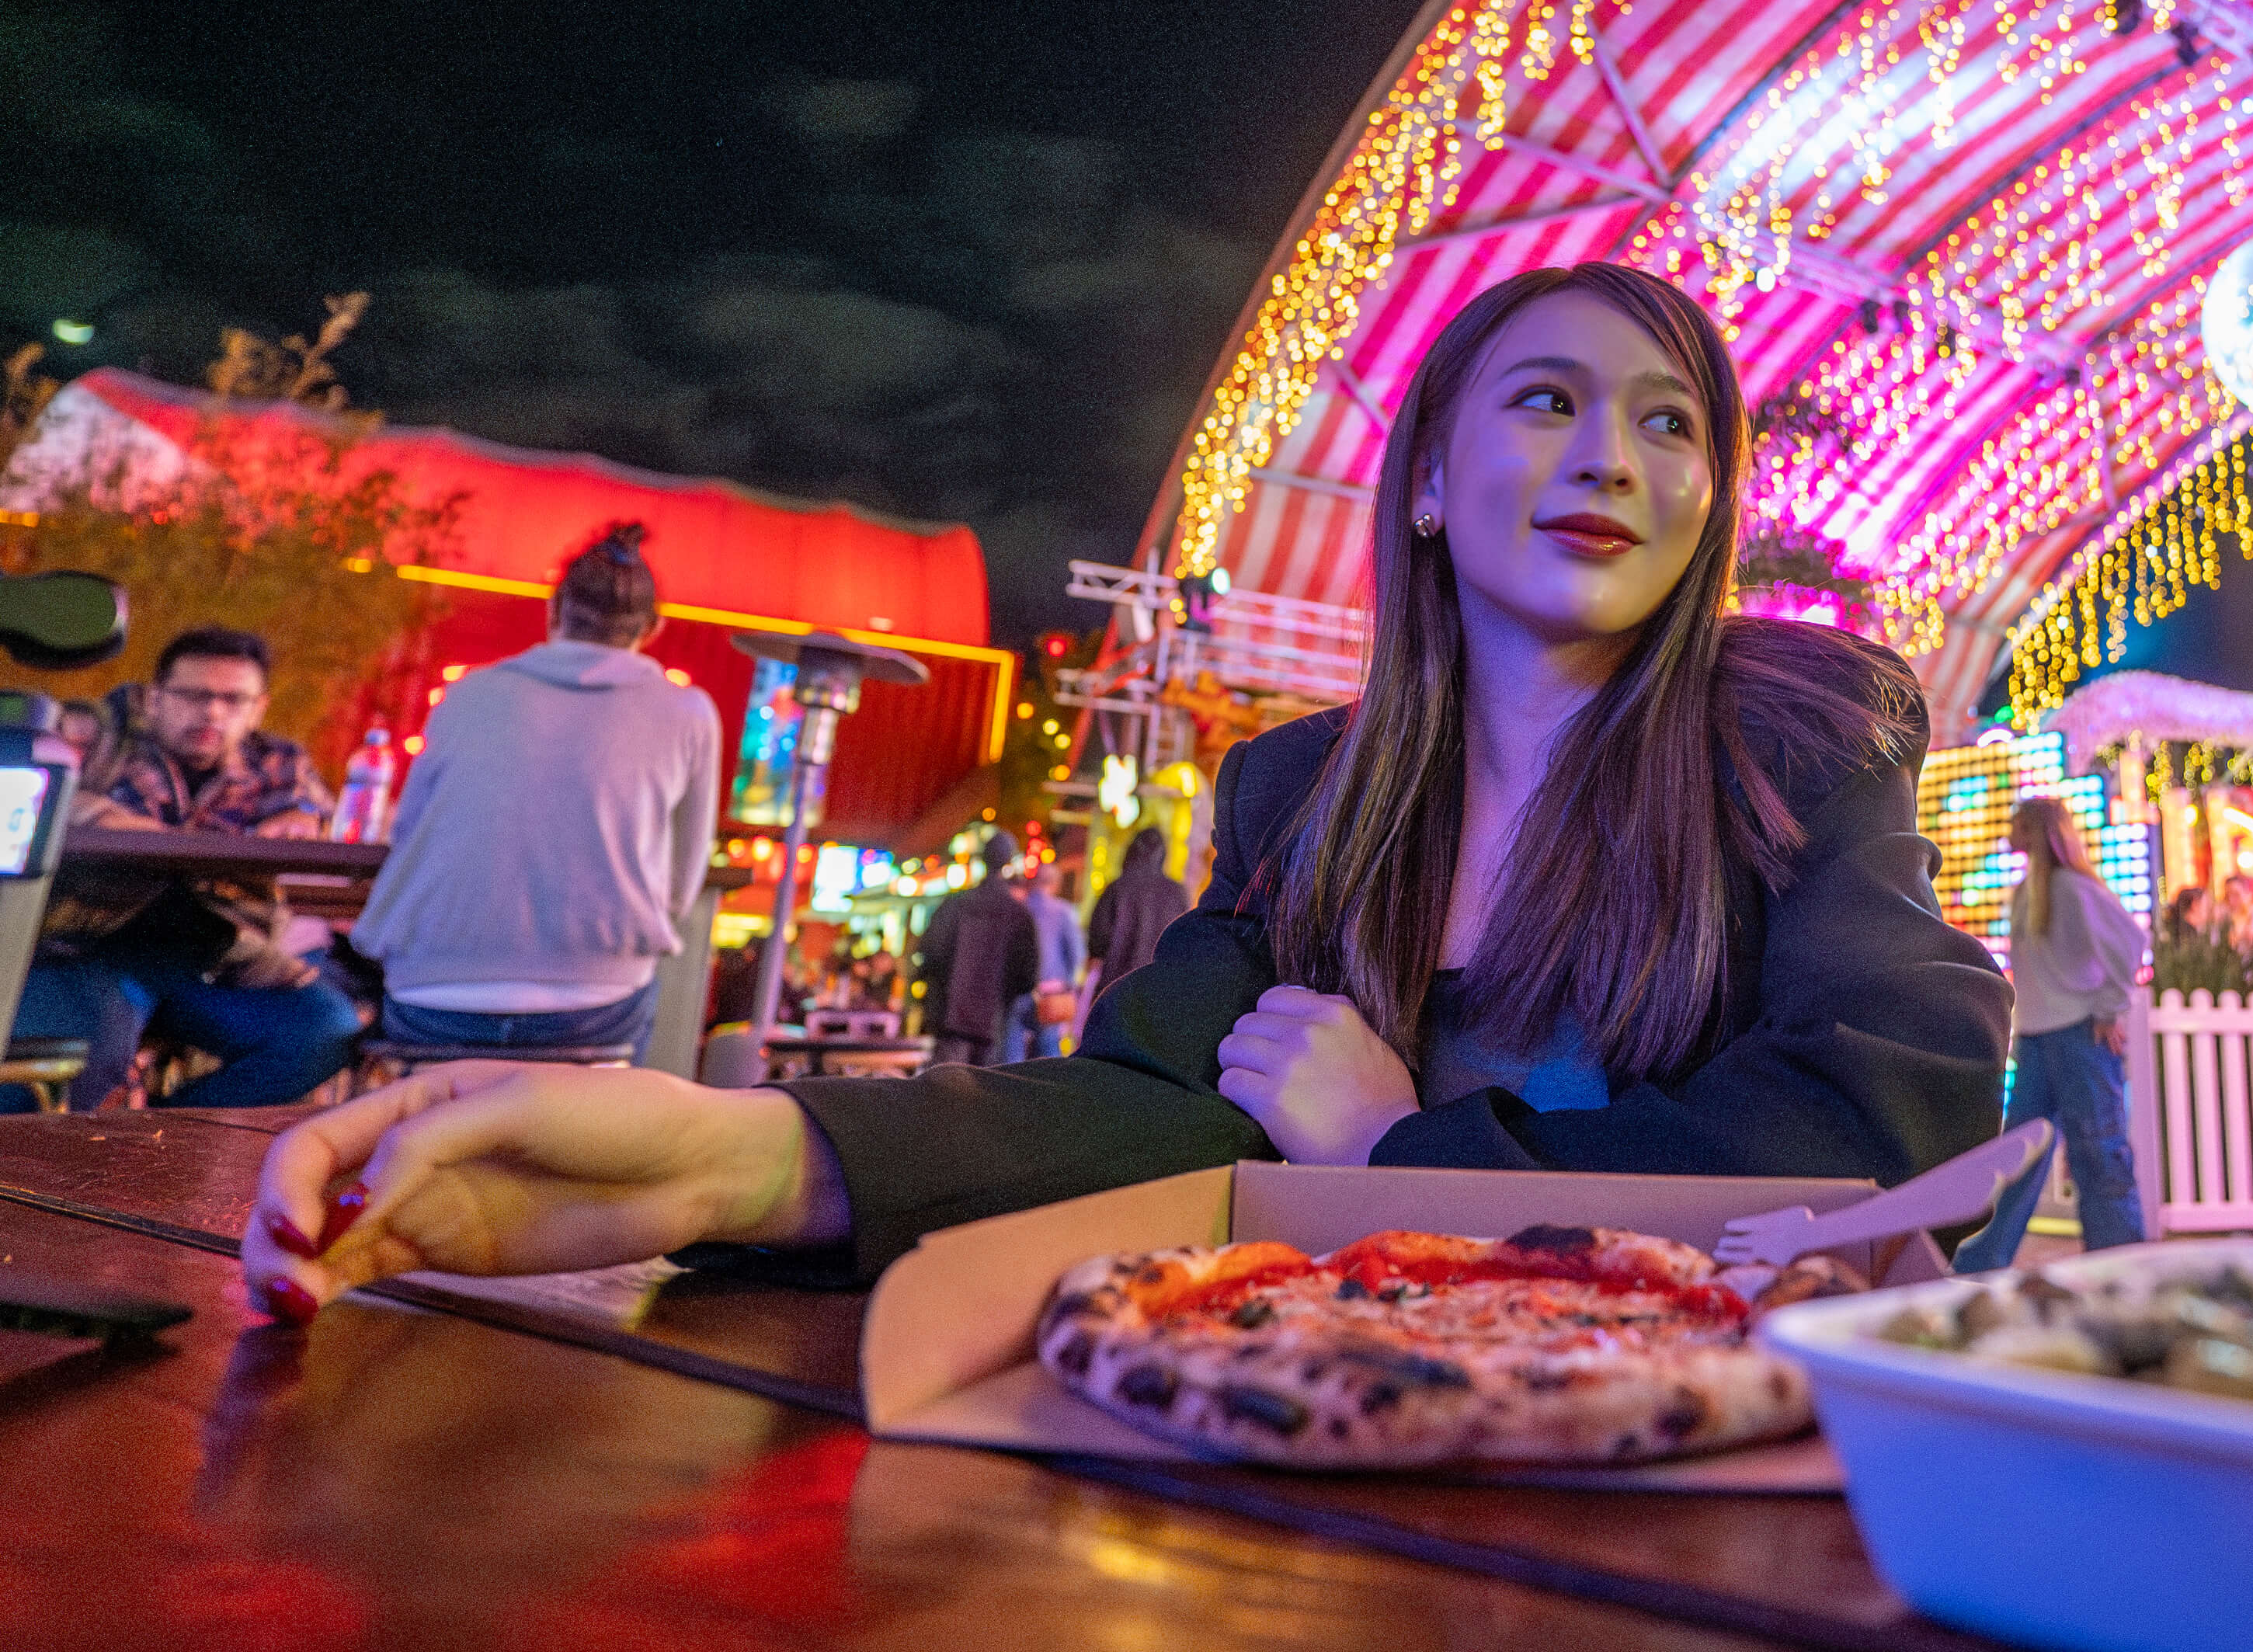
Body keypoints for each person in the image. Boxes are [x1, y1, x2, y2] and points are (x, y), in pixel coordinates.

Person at [242, 263, 2011, 1316]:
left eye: (1670, 421)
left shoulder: (1802, 746)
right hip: (1353, 1448)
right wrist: (725, 1161)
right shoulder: (1305, 802)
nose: (1611, 455)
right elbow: (1143, 1114)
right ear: (1422, 482)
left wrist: (1399, 1154)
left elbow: (1884, 1117)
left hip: (1716, 1495)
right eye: (1546, 401)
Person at [348, 523, 722, 1056]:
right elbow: (683, 885)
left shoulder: (468, 694)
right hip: (594, 1001)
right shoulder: (688, 712)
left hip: (431, 991)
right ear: (655, 626)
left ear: (554, 611)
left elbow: (410, 832)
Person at [3, 627, 359, 1113]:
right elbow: (38, 784)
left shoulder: (275, 764)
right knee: (72, 1065)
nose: (212, 712)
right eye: (194, 695)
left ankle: (154, 1144)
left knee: (323, 1028)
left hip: (210, 965)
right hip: (94, 948)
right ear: (155, 698)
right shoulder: (102, 736)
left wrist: (304, 820)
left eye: (234, 700)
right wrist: (122, 825)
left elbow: (313, 813)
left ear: (258, 709)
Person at [1955, 796, 2149, 1270]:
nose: (2009, 829)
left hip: (2077, 1035)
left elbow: (2129, 941)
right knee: (2024, 1155)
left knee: (2095, 1149)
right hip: (2043, 1037)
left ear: (2037, 830)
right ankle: (1996, 1252)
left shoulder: (2068, 889)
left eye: (2019, 823)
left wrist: (2109, 1008)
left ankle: (2116, 1254)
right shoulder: (2034, 891)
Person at [915, 834, 1041, 1066]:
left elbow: (929, 954)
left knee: (944, 1092)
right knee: (984, 1095)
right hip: (995, 1023)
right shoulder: (1018, 915)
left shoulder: (955, 905)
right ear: (1008, 862)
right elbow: (1027, 976)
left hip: (950, 1021)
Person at [1086, 823, 1188, 991]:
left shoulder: (1118, 888)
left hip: (1117, 986)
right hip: (1160, 988)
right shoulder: (1176, 893)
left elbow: (1098, 938)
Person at [1004, 863, 1087, 1062]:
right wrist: (1068, 985)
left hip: (1016, 994)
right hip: (1051, 996)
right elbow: (1077, 955)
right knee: (1047, 1057)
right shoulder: (1064, 912)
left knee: (1011, 1056)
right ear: (1055, 884)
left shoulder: (1017, 910)